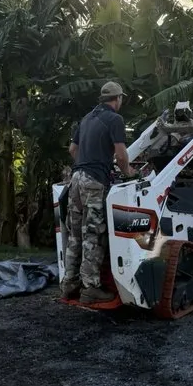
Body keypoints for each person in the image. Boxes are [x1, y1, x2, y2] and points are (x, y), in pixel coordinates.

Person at [60, 81, 135, 303]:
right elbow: (121, 157)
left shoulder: (87, 118)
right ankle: (90, 288)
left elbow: (72, 150)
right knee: (93, 234)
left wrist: (87, 163)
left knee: (76, 234)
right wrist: (130, 173)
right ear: (118, 98)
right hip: (94, 182)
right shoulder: (115, 119)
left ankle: (69, 284)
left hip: (76, 179)